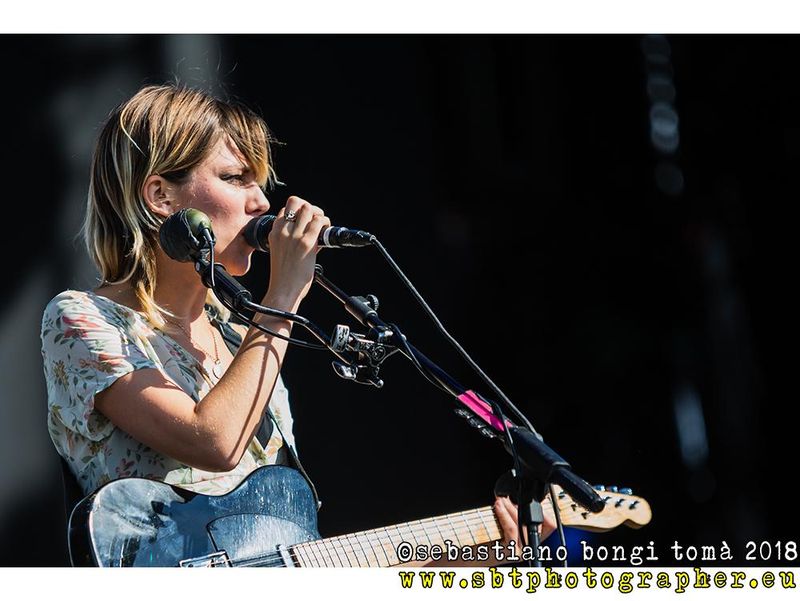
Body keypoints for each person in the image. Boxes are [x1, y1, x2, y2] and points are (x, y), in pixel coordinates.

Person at [40, 83, 553, 565]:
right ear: (162, 196)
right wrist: (284, 292)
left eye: (259, 181)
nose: (262, 201)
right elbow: (213, 442)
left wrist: (481, 554)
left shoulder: (241, 335)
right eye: (234, 178)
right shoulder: (83, 318)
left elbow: (288, 554)